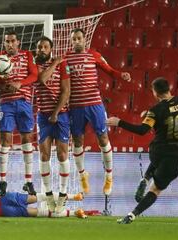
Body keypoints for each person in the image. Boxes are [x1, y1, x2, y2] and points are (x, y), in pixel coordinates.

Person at [106, 77, 178, 224]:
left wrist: (119, 122)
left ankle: (145, 178)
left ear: (155, 93)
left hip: (157, 153)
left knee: (157, 160)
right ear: (169, 89)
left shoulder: (155, 111)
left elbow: (142, 130)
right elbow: (172, 113)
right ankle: (132, 215)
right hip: (175, 155)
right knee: (155, 190)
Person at [64, 28, 131, 196]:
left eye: (79, 38)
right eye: (74, 39)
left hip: (94, 104)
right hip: (75, 106)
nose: (77, 41)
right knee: (77, 141)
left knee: (103, 138)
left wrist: (121, 75)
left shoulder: (94, 55)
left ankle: (109, 176)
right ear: (71, 41)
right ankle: (82, 176)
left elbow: (109, 70)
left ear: (85, 39)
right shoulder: (66, 58)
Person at [0, 30, 38, 196]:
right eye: (7, 42)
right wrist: (1, 84)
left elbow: (34, 75)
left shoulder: (27, 55)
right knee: (6, 139)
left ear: (18, 42)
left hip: (24, 102)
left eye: (12, 41)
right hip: (6, 104)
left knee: (27, 139)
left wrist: (20, 83)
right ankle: (3, 181)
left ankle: (28, 181)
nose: (10, 44)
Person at [34, 36, 71, 213]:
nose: (42, 49)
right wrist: (54, 63)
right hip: (42, 115)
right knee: (44, 154)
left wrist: (56, 113)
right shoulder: (33, 65)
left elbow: (66, 91)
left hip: (61, 115)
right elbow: (41, 79)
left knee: (63, 155)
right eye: (39, 47)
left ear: (51, 49)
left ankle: (63, 195)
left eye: (45, 47)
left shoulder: (63, 65)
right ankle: (49, 195)